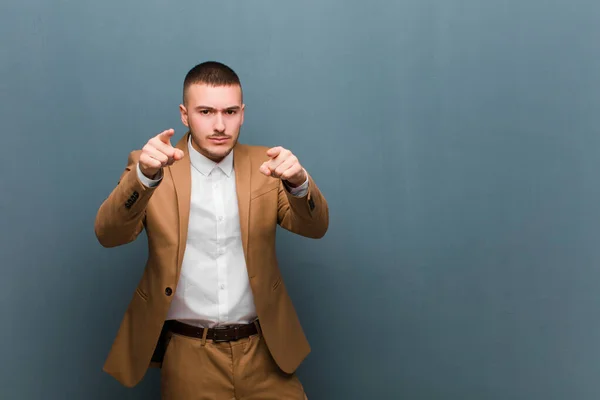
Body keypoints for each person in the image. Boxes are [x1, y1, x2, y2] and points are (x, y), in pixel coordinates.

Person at [94, 61, 329, 399]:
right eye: (205, 111)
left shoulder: (269, 164)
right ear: (184, 114)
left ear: (242, 114)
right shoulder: (151, 165)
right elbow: (108, 234)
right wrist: (144, 178)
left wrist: (300, 183)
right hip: (191, 355)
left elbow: (316, 227)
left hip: (266, 352)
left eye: (230, 112)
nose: (220, 125)